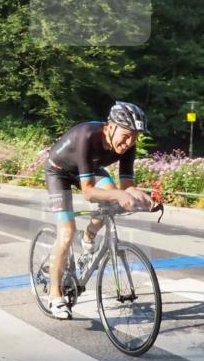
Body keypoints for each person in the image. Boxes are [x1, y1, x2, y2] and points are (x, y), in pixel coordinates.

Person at [43, 101, 153, 319]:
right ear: (110, 127)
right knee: (67, 232)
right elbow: (88, 192)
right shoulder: (87, 135)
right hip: (59, 172)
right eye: (126, 136)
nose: (129, 142)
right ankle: (55, 295)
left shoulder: (129, 145)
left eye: (134, 137)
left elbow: (126, 186)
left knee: (112, 201)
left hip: (89, 169)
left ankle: (89, 237)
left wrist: (143, 197)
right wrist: (120, 195)